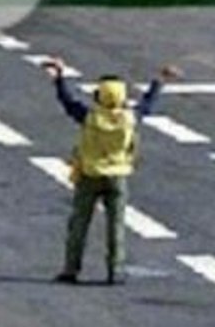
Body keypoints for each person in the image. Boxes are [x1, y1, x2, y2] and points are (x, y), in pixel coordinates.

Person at [44, 57, 181, 285]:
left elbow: (67, 101)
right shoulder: (129, 119)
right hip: (118, 176)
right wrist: (160, 80)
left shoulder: (88, 117)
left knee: (79, 223)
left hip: (89, 175)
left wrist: (60, 78)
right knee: (115, 226)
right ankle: (115, 269)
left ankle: (71, 268)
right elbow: (148, 103)